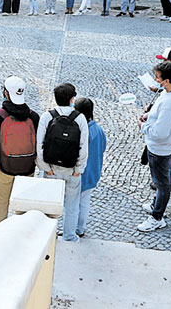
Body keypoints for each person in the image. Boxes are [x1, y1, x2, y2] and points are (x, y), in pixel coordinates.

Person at [0, 76, 41, 224]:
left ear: (6, 93)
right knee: (23, 207)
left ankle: (0, 237)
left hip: (3, 169)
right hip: (27, 169)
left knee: (1, 205)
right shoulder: (33, 116)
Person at [36, 83, 89, 241]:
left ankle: (48, 237)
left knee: (50, 205)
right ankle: (69, 236)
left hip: (51, 168)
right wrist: (78, 169)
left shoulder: (47, 117)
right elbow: (83, 147)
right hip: (72, 170)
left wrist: (46, 168)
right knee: (72, 206)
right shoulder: (80, 119)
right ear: (72, 99)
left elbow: (40, 146)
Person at [138, 61, 171, 232]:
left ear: (167, 80)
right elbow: (160, 113)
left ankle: (157, 217)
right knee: (160, 182)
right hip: (167, 146)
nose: (155, 80)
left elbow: (160, 132)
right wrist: (148, 115)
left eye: (158, 78)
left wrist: (143, 126)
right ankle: (155, 205)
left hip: (161, 148)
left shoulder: (170, 102)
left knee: (162, 183)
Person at [73, 97, 105, 238]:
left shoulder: (82, 131)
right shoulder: (99, 130)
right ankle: (80, 228)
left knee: (74, 203)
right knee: (84, 202)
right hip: (93, 172)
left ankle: (73, 228)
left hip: (81, 173)